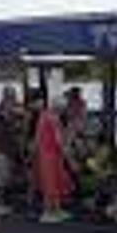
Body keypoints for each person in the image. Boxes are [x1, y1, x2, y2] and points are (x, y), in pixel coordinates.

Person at [32, 95, 73, 223]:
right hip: (51, 155)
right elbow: (59, 139)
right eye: (63, 108)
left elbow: (38, 137)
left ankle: (56, 210)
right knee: (51, 184)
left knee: (54, 183)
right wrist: (68, 153)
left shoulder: (44, 115)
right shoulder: (53, 118)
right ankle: (48, 212)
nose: (64, 111)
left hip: (45, 154)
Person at [0, 87, 25, 216]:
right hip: (0, 149)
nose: (12, 98)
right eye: (10, 95)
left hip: (9, 149)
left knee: (6, 179)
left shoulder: (12, 112)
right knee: (1, 179)